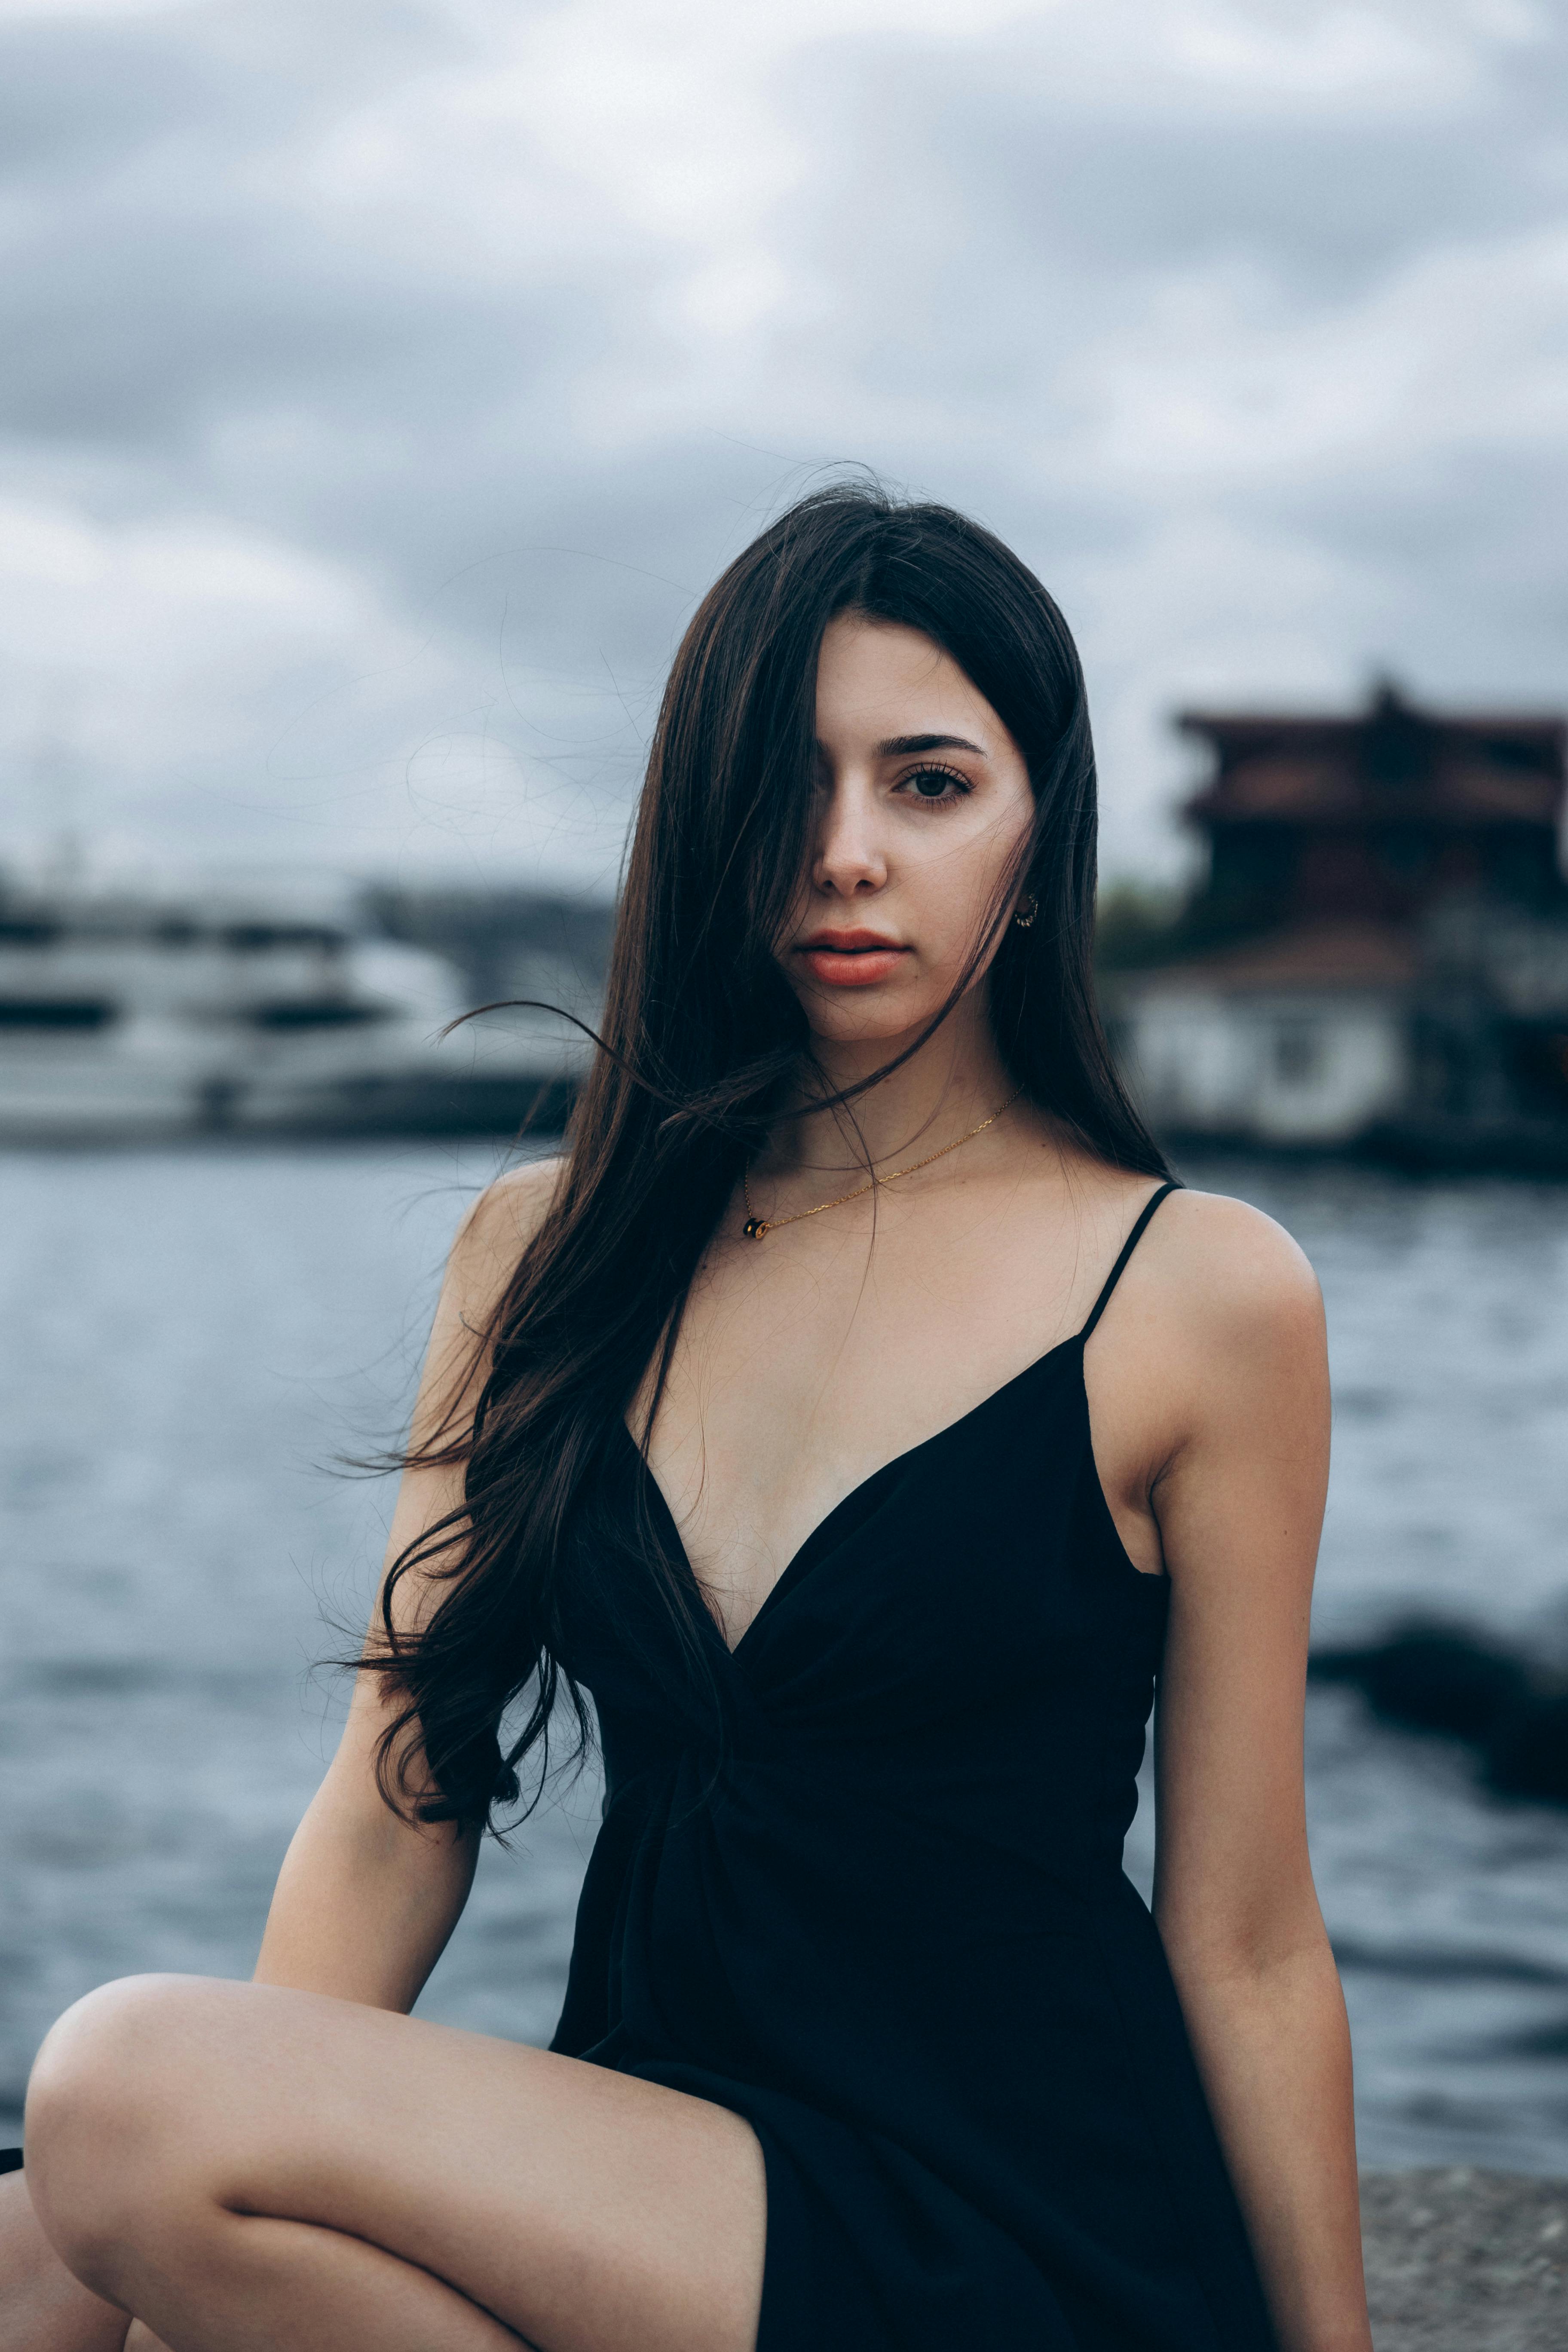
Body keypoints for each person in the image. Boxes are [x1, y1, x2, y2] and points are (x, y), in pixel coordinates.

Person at [3, 485, 1371, 2352]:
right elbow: (399, 1803)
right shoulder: (544, 1254)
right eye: (785, 786)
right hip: (660, 2165)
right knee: (47, 2240)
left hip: (1005, 2221)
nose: (846, 855)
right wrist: (179, 2266)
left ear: (1042, 836)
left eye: (929, 783)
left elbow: (1250, 1937)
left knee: (124, 2088)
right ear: (700, 827)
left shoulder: (1196, 1290)